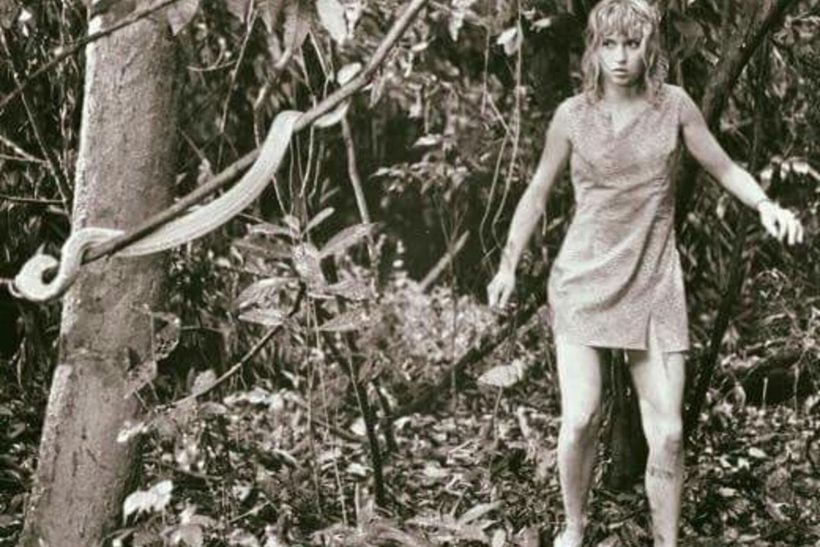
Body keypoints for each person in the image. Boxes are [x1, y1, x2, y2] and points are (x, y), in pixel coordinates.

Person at [485, 1, 804, 546]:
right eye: (608, 44)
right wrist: (508, 264)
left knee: (670, 433)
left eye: (631, 44)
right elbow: (537, 193)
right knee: (581, 418)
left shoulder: (674, 106)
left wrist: (765, 205)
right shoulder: (572, 116)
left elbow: (723, 165)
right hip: (584, 281)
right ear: (593, 49)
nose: (620, 57)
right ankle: (574, 527)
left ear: (650, 47)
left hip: (654, 281)